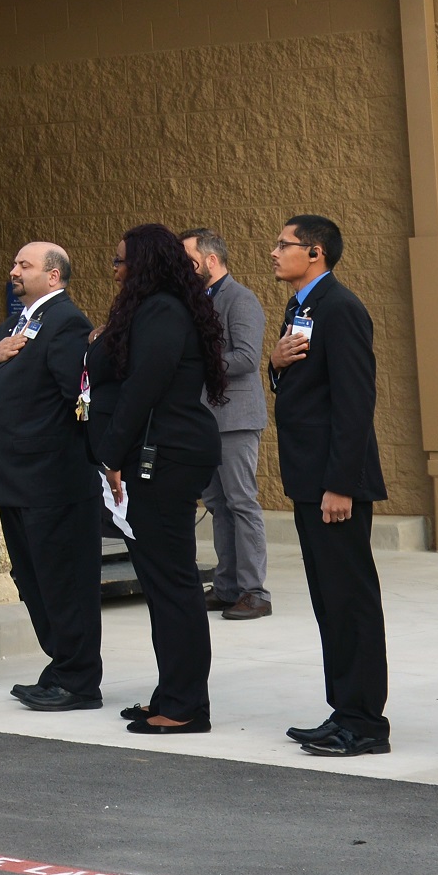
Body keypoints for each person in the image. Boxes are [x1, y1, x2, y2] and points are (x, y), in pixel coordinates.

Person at [90, 224, 224, 736]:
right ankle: (172, 691)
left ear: (145, 264)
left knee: (173, 583)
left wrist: (109, 454)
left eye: (122, 261)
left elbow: (144, 386)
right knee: (161, 582)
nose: (115, 269)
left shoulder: (163, 310)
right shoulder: (146, 310)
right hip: (156, 455)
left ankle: (187, 705)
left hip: (168, 457)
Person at [270, 212, 389, 757]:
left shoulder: (340, 308)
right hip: (308, 479)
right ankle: (343, 709)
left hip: (334, 484)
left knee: (350, 599)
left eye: (284, 245)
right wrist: (274, 365)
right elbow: (300, 383)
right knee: (328, 600)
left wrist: (341, 483)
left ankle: (365, 724)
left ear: (314, 253)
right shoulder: (300, 308)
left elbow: (355, 399)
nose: (274, 252)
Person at [0, 241, 99, 712]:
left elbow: (78, 400)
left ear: (53, 276)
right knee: (34, 581)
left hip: (51, 478)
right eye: (14, 264)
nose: (13, 271)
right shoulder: (14, 322)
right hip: (14, 479)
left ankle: (79, 678)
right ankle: (61, 663)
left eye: (24, 265)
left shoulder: (67, 322)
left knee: (63, 582)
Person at [183, 228, 273, 621]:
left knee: (241, 502)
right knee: (218, 505)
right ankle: (226, 587)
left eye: (188, 260)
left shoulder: (241, 299)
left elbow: (247, 358)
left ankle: (255, 592)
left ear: (211, 261)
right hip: (204, 418)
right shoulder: (195, 301)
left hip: (235, 417)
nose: (183, 268)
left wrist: (192, 362)